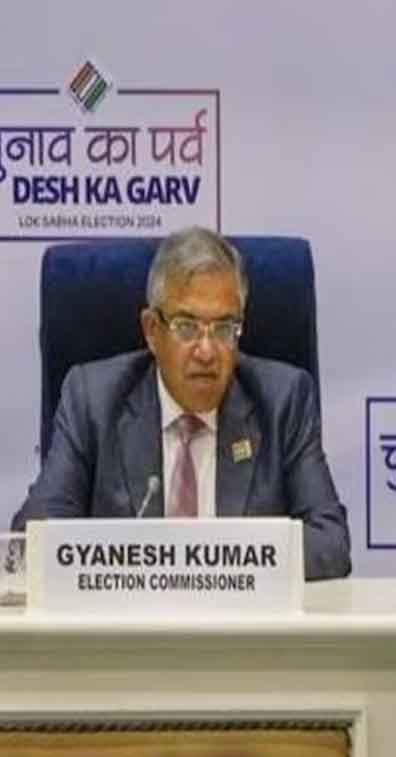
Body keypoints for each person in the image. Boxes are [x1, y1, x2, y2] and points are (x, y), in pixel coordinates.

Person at [11, 227, 351, 581]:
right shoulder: (93, 401)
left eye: (223, 328)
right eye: (186, 327)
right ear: (151, 330)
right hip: (128, 615)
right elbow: (33, 539)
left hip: (243, 616)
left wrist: (210, 564)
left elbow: (330, 544)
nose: (206, 351)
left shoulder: (283, 401)